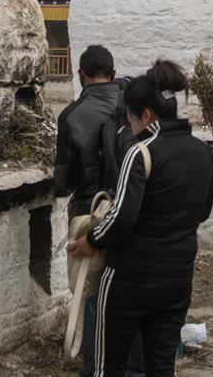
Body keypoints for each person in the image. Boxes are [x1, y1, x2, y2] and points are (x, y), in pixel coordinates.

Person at [67, 60, 213, 377]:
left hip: (129, 278)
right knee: (161, 366)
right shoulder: (202, 152)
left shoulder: (142, 152)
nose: (130, 125)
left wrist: (90, 241)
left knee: (108, 366)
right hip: (177, 278)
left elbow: (122, 218)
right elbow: (203, 212)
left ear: (146, 115)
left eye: (132, 118)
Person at [54, 45, 144, 377]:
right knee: (129, 290)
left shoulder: (72, 116)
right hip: (136, 210)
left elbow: (63, 181)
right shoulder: (134, 104)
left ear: (81, 75)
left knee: (90, 292)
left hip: (91, 212)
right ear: (114, 72)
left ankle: (95, 365)